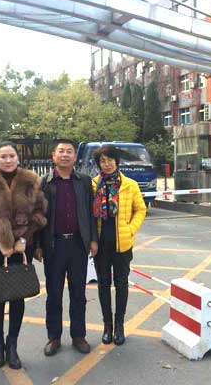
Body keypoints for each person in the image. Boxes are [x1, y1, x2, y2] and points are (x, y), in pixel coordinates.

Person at [0, 142, 47, 370]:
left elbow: (39, 213)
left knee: (17, 296)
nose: (8, 160)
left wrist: (24, 240)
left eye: (11, 156)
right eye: (3, 156)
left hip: (22, 249)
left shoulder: (30, 181)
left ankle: (12, 344)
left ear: (18, 157)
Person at [38, 139, 98, 356]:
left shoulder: (84, 182)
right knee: (54, 294)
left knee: (78, 293)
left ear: (75, 156)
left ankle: (78, 336)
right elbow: (37, 216)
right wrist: (38, 245)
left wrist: (93, 240)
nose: (65, 155)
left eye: (69, 151)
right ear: (53, 156)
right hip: (53, 245)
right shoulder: (44, 182)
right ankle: (54, 337)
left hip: (78, 245)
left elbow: (91, 212)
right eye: (61, 151)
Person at [91, 145, 147, 345]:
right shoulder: (93, 185)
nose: (106, 164)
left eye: (109, 160)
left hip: (122, 244)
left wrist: (131, 229)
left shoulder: (130, 185)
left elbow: (140, 209)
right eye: (102, 161)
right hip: (101, 244)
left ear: (117, 161)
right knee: (103, 284)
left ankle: (119, 325)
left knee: (121, 284)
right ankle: (107, 326)